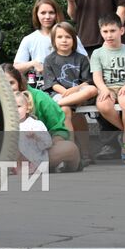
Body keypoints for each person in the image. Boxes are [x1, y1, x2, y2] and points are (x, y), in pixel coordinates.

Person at [89, 14, 125, 163]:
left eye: (112, 30)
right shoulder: (97, 53)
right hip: (108, 88)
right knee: (103, 105)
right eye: (105, 31)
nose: (109, 35)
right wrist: (103, 89)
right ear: (101, 32)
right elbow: (97, 76)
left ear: (121, 30)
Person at [1, 64, 80, 172]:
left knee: (69, 148)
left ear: (19, 82)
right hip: (13, 154)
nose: (7, 88)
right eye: (2, 84)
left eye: (11, 83)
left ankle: (52, 164)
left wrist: (41, 141)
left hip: (42, 151)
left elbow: (58, 130)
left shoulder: (39, 98)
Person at [42, 22, 96, 162]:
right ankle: (72, 151)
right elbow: (51, 83)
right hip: (60, 94)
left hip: (78, 93)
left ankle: (84, 151)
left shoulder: (81, 58)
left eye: (68, 37)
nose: (64, 40)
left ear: (74, 39)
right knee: (66, 110)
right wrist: (65, 91)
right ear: (54, 40)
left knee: (91, 89)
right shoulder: (49, 60)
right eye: (60, 37)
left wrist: (75, 89)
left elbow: (87, 81)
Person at [14, 0, 85, 88]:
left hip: (70, 84)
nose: (47, 17)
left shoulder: (70, 36)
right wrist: (33, 63)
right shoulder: (29, 39)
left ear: (57, 14)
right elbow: (16, 68)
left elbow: (85, 61)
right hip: (42, 86)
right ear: (36, 14)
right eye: (43, 13)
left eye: (51, 13)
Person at [15, 92, 53, 173]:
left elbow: (48, 143)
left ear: (28, 108)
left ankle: (29, 167)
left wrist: (36, 135)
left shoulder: (35, 124)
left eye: (18, 106)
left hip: (34, 159)